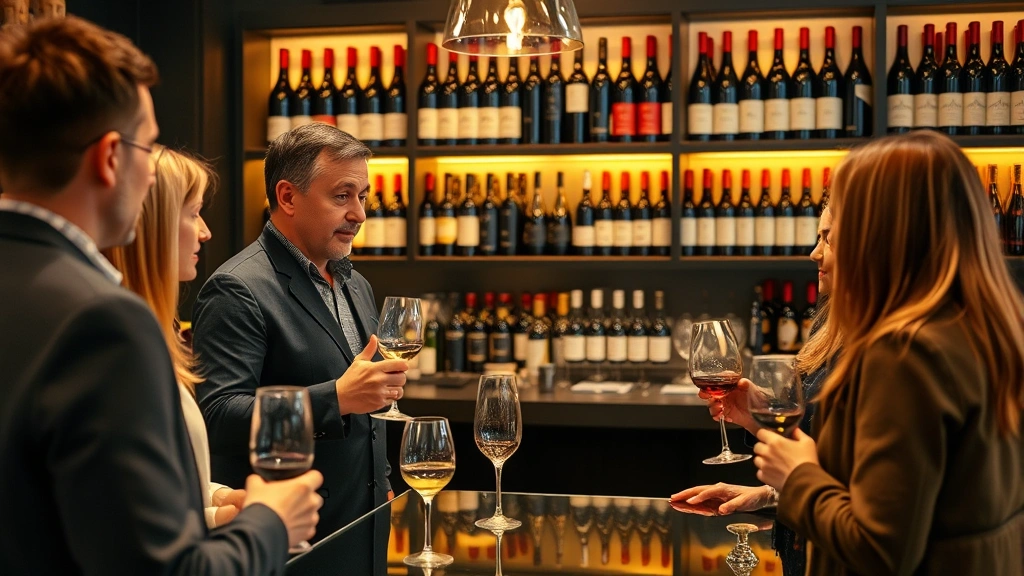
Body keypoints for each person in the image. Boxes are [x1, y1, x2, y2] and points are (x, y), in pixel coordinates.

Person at [0, 17, 322, 575]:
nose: (152, 176)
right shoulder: (102, 320)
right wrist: (270, 519)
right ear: (108, 159)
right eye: (146, 147)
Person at [754, 131, 1024, 575]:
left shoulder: (904, 353)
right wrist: (780, 490)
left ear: (882, 233)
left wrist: (798, 478)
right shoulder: (985, 330)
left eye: (839, 229)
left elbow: (880, 551)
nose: (819, 249)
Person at [192, 123, 407, 574]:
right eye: (343, 196)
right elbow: (219, 415)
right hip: (291, 543)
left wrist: (380, 479)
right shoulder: (237, 288)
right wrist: (337, 398)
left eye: (363, 196)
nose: (360, 214)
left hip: (363, 523)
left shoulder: (355, 281)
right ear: (288, 197)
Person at [671, 201, 840, 576]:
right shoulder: (834, 327)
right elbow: (836, 466)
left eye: (827, 238)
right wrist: (769, 491)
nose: (814, 252)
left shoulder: (895, 354)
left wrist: (796, 482)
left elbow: (885, 527)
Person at [103, 146, 248, 529]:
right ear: (157, 225)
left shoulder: (156, 326)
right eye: (194, 213)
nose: (206, 231)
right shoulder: (117, 339)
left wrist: (217, 494)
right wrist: (259, 519)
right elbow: (125, 521)